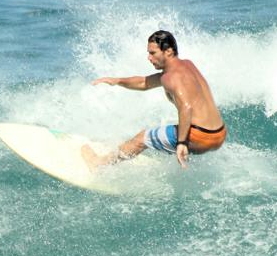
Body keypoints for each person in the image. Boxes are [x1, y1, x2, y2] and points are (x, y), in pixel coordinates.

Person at [81, 30, 226, 170]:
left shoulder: (170, 78)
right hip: (219, 135)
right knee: (165, 136)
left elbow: (186, 107)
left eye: (153, 53)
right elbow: (144, 82)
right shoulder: (187, 65)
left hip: (199, 137)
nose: (149, 58)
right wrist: (117, 80)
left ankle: (98, 164)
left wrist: (182, 143)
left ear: (168, 51)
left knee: (141, 138)